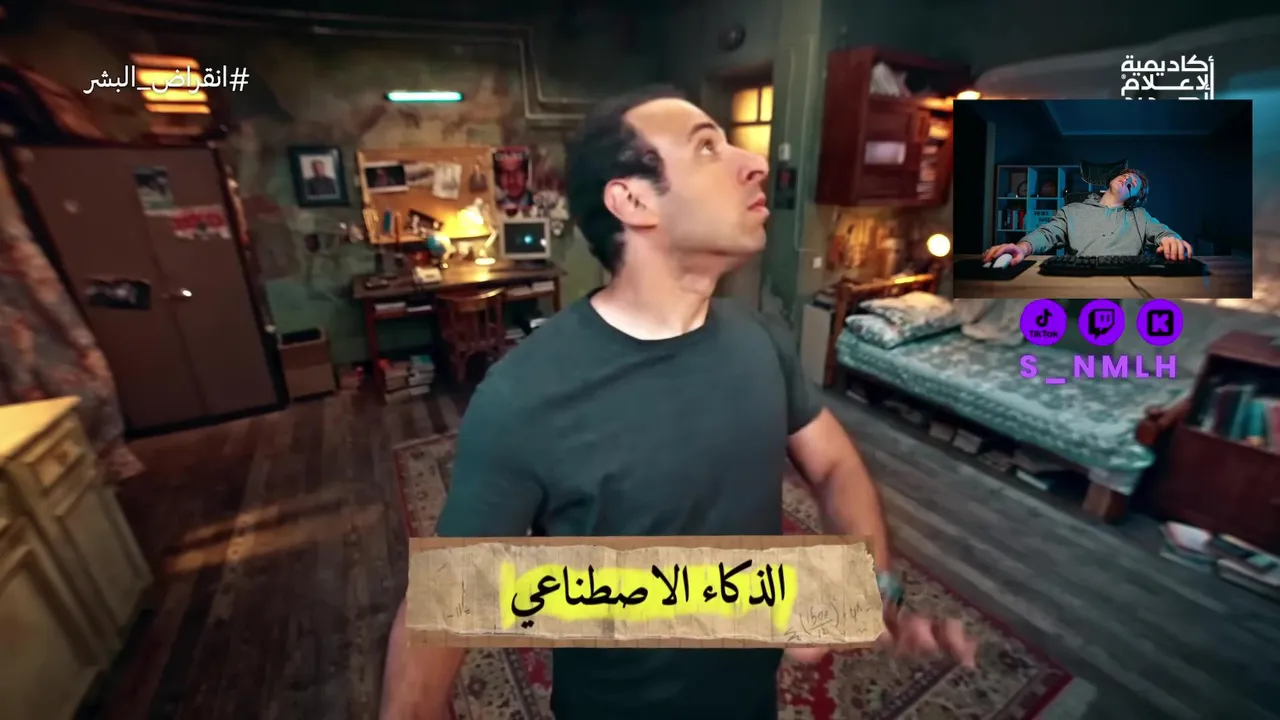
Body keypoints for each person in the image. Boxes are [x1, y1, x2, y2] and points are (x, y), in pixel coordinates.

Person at [379, 86, 978, 720]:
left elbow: (834, 465)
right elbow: (434, 622)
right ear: (633, 201)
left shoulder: (761, 339)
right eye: (706, 148)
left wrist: (871, 584)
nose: (755, 163)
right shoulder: (523, 397)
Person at [982, 168, 1194, 265]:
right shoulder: (1072, 210)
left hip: (1127, 281)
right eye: (1125, 176)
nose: (1127, 180)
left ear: (1133, 198)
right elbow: (1047, 234)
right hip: (1080, 278)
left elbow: (1163, 233)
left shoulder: (1140, 216)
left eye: (1133, 184)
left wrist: (1172, 241)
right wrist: (1022, 248)